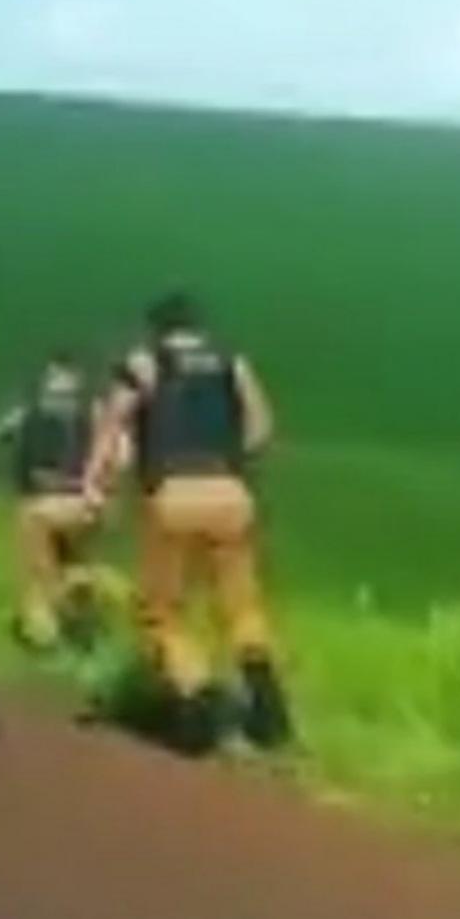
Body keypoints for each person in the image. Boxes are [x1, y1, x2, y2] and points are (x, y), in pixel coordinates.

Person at [86, 291, 291, 755]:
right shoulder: (231, 361)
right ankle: (264, 696)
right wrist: (232, 460)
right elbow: (260, 428)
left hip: (173, 494)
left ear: (157, 328)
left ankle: (199, 699)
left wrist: (96, 481)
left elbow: (113, 423)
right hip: (230, 494)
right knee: (242, 606)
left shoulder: (145, 363)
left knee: (162, 613)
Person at [0, 352, 103, 648]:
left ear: (48, 380)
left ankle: (44, 633)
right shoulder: (92, 412)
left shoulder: (28, 412)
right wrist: (100, 491)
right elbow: (121, 451)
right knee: (76, 561)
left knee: (37, 574)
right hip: (82, 507)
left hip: (39, 506)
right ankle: (81, 619)